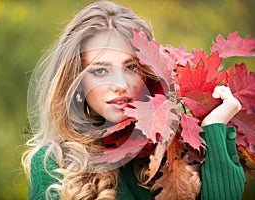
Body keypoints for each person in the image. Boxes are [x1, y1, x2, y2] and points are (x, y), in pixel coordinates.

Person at [22, 1, 245, 199]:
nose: (120, 84)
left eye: (130, 68)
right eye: (100, 71)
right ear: (77, 82)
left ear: (148, 73)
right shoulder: (53, 165)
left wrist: (213, 128)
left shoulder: (180, 153)